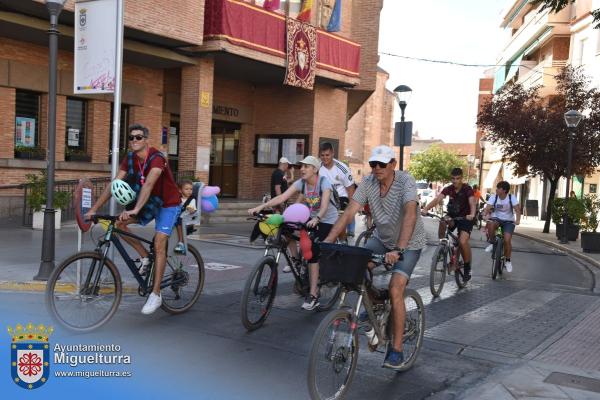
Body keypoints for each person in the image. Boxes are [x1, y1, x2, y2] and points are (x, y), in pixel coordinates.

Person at [324, 145, 426, 370]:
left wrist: (399, 249)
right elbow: (350, 211)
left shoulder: (405, 182)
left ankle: (396, 349)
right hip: (382, 238)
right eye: (373, 164)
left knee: (396, 288)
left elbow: (410, 212)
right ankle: (376, 309)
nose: (377, 168)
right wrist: (328, 242)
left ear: (393, 165)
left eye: (382, 164)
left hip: (408, 243)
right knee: (359, 268)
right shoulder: (369, 183)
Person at [85, 123, 182, 315]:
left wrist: (136, 208)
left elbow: (150, 184)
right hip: (149, 202)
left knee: (160, 243)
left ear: (146, 140)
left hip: (168, 203)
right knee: (119, 224)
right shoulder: (129, 158)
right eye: (131, 138)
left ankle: (156, 294)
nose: (134, 141)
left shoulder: (157, 158)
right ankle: (145, 256)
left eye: (138, 137)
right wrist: (94, 209)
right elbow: (115, 184)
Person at [248, 155, 338, 311]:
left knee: (313, 251)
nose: (301, 169)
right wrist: (261, 207)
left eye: (306, 166)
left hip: (327, 219)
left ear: (315, 169)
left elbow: (324, 206)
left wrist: (317, 218)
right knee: (286, 228)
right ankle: (296, 260)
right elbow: (282, 196)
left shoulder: (324, 183)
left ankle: (313, 294)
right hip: (311, 216)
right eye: (301, 166)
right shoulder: (301, 183)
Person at [421, 167, 476, 280]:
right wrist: (425, 209)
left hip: (466, 218)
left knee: (462, 241)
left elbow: (472, 202)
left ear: (462, 178)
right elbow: (437, 199)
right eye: (453, 178)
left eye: (457, 178)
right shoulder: (449, 189)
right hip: (453, 216)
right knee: (443, 221)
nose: (455, 181)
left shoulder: (467, 189)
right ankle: (442, 246)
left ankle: (467, 268)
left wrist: (472, 214)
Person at [318, 142, 355, 239]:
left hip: (340, 197)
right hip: (324, 198)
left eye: (327, 155)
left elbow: (350, 189)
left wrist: (351, 209)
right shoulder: (317, 168)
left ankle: (343, 240)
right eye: (322, 155)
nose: (325, 157)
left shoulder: (342, 168)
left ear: (332, 154)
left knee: (339, 222)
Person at [483, 181, 521, 272]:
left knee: (507, 240)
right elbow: (488, 208)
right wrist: (485, 214)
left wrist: (518, 220)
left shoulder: (512, 198)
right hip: (496, 219)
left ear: (504, 190)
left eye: (498, 188)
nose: (496, 189)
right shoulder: (494, 197)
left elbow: (517, 210)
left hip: (508, 221)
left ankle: (508, 261)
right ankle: (493, 242)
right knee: (491, 224)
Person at [174, 180, 197, 254]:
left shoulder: (192, 199)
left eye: (191, 189)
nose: (189, 191)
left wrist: (191, 209)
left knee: (179, 221)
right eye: (186, 189)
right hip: (180, 218)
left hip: (187, 220)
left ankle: (181, 242)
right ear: (180, 190)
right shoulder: (178, 198)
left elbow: (193, 210)